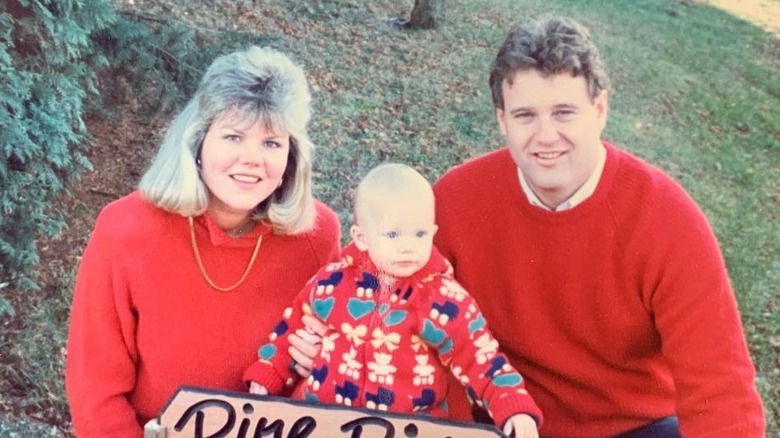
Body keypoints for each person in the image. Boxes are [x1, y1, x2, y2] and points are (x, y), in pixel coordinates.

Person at [431, 15, 766, 437]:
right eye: (525, 116)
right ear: (502, 120)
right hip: (504, 420)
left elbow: (722, 395)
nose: (546, 135)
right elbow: (403, 314)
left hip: (631, 426)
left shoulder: (668, 220)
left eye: (564, 112)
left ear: (600, 109)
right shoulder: (457, 200)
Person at [65, 46, 341, 438]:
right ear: (198, 142)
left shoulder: (317, 236)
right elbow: (94, 387)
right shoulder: (126, 229)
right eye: (233, 136)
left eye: (271, 143)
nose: (252, 159)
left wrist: (323, 360)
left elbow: (339, 370)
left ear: (291, 158)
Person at [243, 163, 543, 438]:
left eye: (419, 234)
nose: (407, 248)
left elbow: (480, 356)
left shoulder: (442, 299)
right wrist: (269, 371)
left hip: (407, 427)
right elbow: (291, 328)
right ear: (361, 238)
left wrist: (512, 405)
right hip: (323, 419)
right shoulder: (332, 283)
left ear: (433, 233)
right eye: (393, 235)